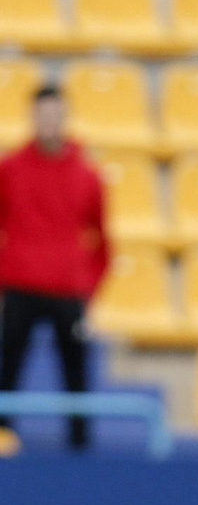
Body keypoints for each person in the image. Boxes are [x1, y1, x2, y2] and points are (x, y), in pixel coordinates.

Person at [0, 84, 110, 455]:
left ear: (64, 117)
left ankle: (80, 451)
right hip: (18, 287)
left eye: (55, 114)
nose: (49, 122)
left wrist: (87, 286)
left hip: (68, 292)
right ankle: (3, 440)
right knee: (8, 367)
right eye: (42, 114)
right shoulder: (9, 169)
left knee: (76, 373)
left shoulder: (87, 175)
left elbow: (102, 239)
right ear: (33, 117)